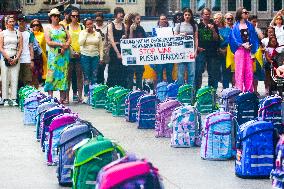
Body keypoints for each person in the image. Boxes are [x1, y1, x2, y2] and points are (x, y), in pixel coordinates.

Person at [228, 7, 259, 92]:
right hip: (240, 51)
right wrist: (241, 44)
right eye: (245, 12)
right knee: (239, 71)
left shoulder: (250, 25)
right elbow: (233, 39)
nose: (247, 14)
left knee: (249, 71)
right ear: (240, 14)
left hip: (249, 51)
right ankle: (239, 91)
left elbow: (255, 38)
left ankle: (249, 91)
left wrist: (252, 47)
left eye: (247, 12)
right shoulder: (235, 26)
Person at [44, 8, 71, 103]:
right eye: (54, 16)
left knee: (63, 75)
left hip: (64, 55)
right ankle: (50, 97)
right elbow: (48, 42)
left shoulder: (63, 26)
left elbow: (69, 38)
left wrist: (66, 46)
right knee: (52, 74)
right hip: (54, 55)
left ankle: (62, 98)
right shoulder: (48, 28)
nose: (56, 17)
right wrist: (60, 44)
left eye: (58, 16)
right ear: (51, 17)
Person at [79, 18, 103, 103]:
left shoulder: (97, 34)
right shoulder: (82, 33)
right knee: (87, 76)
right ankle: (86, 95)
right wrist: (86, 33)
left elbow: (100, 46)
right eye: (88, 24)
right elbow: (80, 43)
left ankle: (93, 95)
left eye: (91, 24)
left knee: (94, 76)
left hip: (95, 57)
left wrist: (101, 58)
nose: (90, 26)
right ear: (85, 25)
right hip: (85, 56)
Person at [0, 15, 23, 106]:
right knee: (5, 77)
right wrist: (7, 57)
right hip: (5, 55)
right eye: (10, 21)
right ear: (6, 23)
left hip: (15, 55)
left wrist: (16, 58)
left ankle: (13, 98)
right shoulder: (2, 33)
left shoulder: (18, 33)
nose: (12, 23)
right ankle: (5, 98)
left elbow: (21, 47)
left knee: (14, 77)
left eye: (13, 21)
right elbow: (0, 47)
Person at [195, 8, 220, 90]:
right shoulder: (198, 26)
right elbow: (195, 38)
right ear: (202, 15)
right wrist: (197, 47)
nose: (207, 15)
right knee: (198, 72)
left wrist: (213, 30)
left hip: (212, 52)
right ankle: (197, 91)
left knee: (212, 73)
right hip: (201, 52)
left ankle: (211, 91)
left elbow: (217, 39)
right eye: (205, 14)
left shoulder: (214, 25)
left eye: (209, 14)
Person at [174, 8, 198, 87]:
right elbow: (174, 37)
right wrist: (180, 34)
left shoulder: (194, 25)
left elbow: (196, 38)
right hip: (181, 52)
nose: (187, 16)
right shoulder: (178, 25)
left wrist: (195, 51)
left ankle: (191, 92)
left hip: (191, 52)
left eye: (189, 15)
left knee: (191, 73)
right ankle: (181, 92)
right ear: (183, 16)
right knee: (180, 74)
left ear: (191, 16)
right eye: (186, 15)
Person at [66, 9, 84, 103]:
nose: (75, 17)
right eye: (73, 16)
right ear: (70, 17)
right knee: (68, 76)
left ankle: (80, 96)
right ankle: (67, 97)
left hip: (80, 54)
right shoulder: (67, 27)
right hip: (69, 54)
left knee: (79, 76)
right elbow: (65, 41)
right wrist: (72, 51)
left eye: (77, 16)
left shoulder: (82, 26)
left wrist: (79, 52)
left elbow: (85, 40)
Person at [106, 7, 127, 88]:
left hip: (122, 48)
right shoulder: (110, 25)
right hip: (114, 49)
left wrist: (125, 37)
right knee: (113, 70)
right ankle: (111, 90)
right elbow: (111, 40)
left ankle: (121, 90)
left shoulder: (124, 25)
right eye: (119, 13)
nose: (121, 14)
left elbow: (126, 40)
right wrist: (118, 53)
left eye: (122, 12)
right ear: (115, 14)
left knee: (122, 71)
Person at [126, 13, 146, 90]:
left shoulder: (141, 29)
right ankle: (129, 92)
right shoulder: (127, 28)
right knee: (130, 75)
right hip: (131, 55)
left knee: (139, 74)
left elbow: (145, 40)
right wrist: (131, 30)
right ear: (133, 20)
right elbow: (129, 41)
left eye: (140, 19)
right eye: (137, 19)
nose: (139, 20)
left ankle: (139, 91)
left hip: (139, 55)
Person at [152, 14, 174, 84]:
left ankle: (170, 91)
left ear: (167, 20)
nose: (163, 20)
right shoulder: (155, 30)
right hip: (159, 57)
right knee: (159, 76)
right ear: (159, 20)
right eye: (161, 19)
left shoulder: (171, 29)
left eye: (164, 19)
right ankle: (159, 92)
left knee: (169, 75)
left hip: (169, 56)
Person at [213, 12, 232, 89]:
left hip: (226, 52)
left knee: (226, 72)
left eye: (217, 18)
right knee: (215, 72)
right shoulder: (213, 29)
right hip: (216, 52)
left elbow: (229, 40)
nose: (215, 20)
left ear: (221, 19)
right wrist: (218, 48)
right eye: (214, 19)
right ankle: (214, 90)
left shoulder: (228, 29)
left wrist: (224, 49)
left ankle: (226, 89)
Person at [17, 14, 34, 89]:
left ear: (26, 22)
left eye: (23, 21)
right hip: (17, 59)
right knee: (17, 81)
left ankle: (27, 99)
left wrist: (32, 60)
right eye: (20, 21)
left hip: (27, 59)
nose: (21, 22)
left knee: (28, 81)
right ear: (17, 22)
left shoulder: (30, 33)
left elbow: (31, 47)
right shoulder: (15, 32)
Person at [30, 19, 47, 84]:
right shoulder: (29, 34)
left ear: (40, 26)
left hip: (41, 58)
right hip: (31, 58)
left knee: (40, 78)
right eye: (33, 25)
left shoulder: (43, 34)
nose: (35, 27)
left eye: (37, 25)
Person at [95, 13, 108, 84]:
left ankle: (102, 84)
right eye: (97, 20)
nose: (98, 22)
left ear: (103, 20)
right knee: (95, 71)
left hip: (104, 51)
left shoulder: (106, 27)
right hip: (95, 51)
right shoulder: (93, 27)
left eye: (100, 20)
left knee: (102, 69)